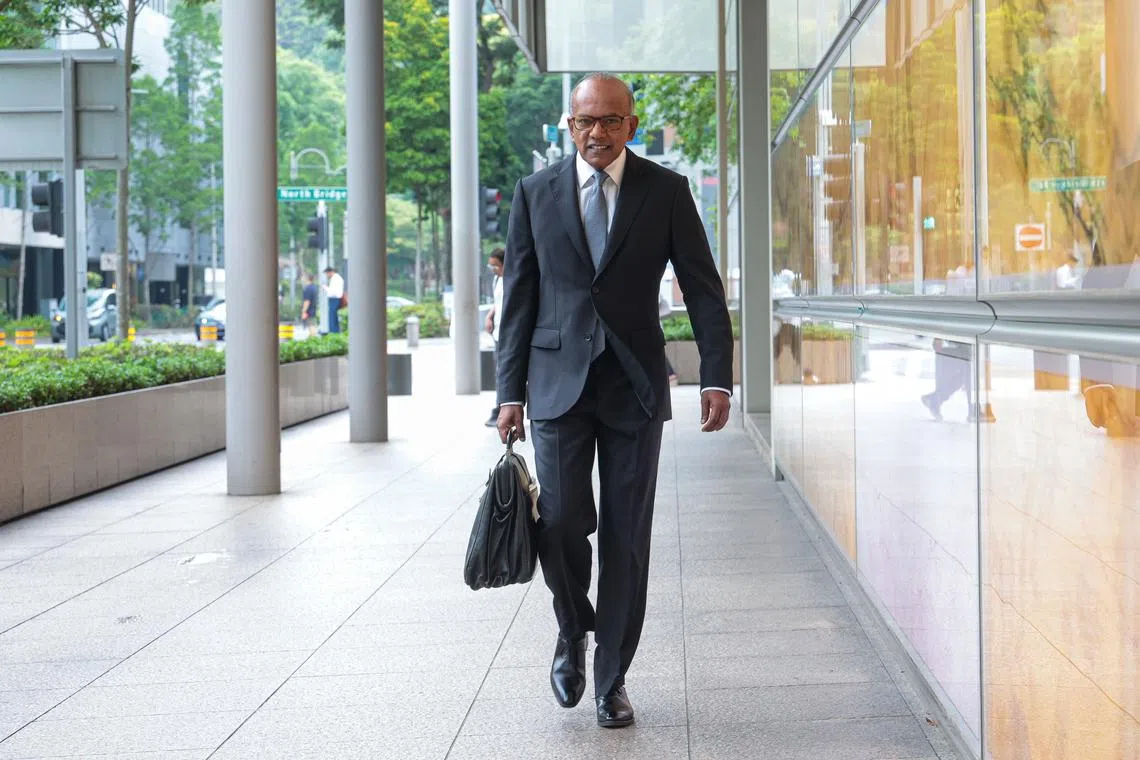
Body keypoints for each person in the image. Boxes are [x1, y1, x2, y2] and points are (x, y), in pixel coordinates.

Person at [495, 73, 734, 729]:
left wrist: (717, 374)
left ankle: (611, 678)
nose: (596, 133)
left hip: (633, 385)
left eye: (609, 121)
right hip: (555, 385)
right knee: (564, 520)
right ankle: (572, 628)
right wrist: (507, 391)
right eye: (584, 123)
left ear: (631, 123)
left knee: (628, 540)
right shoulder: (536, 193)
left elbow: (703, 289)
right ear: (568, 127)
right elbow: (517, 299)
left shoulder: (665, 190)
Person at [484, 249, 505, 427]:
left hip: (508, 334)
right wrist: (489, 315)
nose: (493, 269)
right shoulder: (497, 280)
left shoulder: (514, 280)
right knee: (499, 371)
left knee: (503, 372)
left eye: (496, 266)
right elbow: (497, 303)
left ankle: (502, 406)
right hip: (498, 333)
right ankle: (499, 406)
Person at [324, 266, 344, 333]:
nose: (327, 275)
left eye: (327, 273)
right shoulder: (337, 278)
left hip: (334, 299)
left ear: (331, 272)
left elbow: (332, 292)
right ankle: (335, 331)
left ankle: (333, 332)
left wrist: (325, 288)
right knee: (334, 317)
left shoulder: (335, 279)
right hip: (335, 299)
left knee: (332, 318)